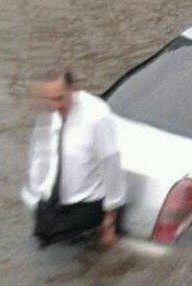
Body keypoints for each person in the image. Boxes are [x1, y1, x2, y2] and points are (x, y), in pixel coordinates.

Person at [21, 68, 126, 249]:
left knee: (56, 257)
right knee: (37, 245)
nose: (54, 106)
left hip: (85, 205)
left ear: (73, 90)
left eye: (59, 98)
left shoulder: (96, 116)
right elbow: (41, 155)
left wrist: (109, 221)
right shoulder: (49, 113)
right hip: (51, 202)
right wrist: (36, 198)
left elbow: (111, 163)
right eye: (49, 99)